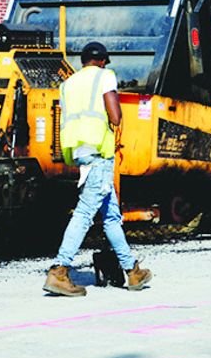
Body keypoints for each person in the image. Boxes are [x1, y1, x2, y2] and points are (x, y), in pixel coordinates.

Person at [44, 42, 153, 297]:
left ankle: (132, 270)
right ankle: (60, 270)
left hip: (78, 151)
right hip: (99, 153)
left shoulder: (68, 83)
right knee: (84, 214)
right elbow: (115, 117)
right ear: (102, 61)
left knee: (112, 216)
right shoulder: (105, 76)